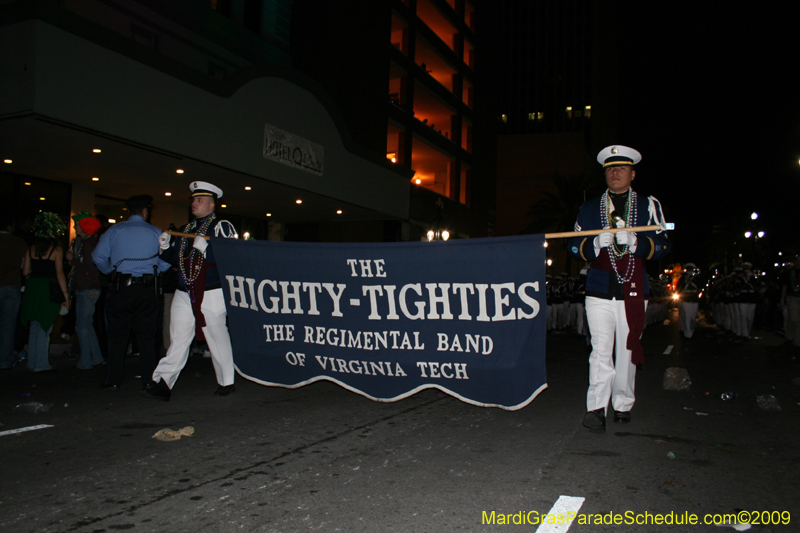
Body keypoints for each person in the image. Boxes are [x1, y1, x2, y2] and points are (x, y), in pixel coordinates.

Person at [568, 145, 670, 432]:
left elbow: (663, 246)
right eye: (610, 169)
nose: (615, 173)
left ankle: (622, 403)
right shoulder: (589, 208)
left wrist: (638, 243)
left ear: (632, 173)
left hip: (634, 288)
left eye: (621, 168)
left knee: (626, 349)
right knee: (600, 350)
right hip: (599, 288)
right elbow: (573, 246)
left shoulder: (649, 205)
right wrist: (593, 244)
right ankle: (596, 408)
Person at [143, 181, 238, 401]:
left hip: (211, 291)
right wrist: (164, 248)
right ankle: (163, 382)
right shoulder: (185, 229)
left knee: (216, 336)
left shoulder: (221, 227)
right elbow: (176, 261)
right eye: (194, 200)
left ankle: (226, 381)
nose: (195, 203)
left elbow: (232, 258)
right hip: (184, 290)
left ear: (212, 206)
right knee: (178, 337)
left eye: (200, 200)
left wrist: (208, 253)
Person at [92, 195, 170, 390]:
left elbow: (97, 256)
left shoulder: (115, 230)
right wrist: (156, 270)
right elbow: (168, 259)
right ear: (146, 211)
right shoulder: (155, 232)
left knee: (117, 336)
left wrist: (112, 271)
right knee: (146, 336)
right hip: (146, 289)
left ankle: (113, 379)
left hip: (121, 288)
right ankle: (148, 379)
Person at [20, 212, 69, 372]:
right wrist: (65, 295)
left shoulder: (31, 249)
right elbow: (59, 273)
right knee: (45, 326)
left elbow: (26, 271)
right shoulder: (56, 249)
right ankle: (40, 364)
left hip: (33, 287)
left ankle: (32, 362)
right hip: (48, 288)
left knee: (34, 326)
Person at [70, 216, 105, 369]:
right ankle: (95, 357)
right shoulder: (89, 243)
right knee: (87, 324)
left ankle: (85, 360)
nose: (74, 227)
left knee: (83, 324)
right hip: (89, 287)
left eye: (77, 224)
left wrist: (73, 260)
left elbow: (89, 265)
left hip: (88, 288)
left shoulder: (88, 244)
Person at [0, 214, 28, 369]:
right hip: (12, 285)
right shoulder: (19, 243)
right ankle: (5, 360)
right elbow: (24, 266)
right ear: (10, 227)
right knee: (8, 325)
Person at [676, 263, 701, 339]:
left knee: (693, 317)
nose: (690, 271)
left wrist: (694, 278)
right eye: (688, 269)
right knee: (687, 316)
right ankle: (687, 333)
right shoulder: (683, 278)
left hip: (694, 299)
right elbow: (679, 288)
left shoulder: (696, 278)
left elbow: (700, 286)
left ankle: (691, 330)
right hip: (685, 299)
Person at [780, 255, 800, 350]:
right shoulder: (789, 273)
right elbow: (785, 286)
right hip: (792, 297)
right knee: (793, 318)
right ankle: (789, 336)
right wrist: (782, 300)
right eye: (797, 260)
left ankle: (797, 341)